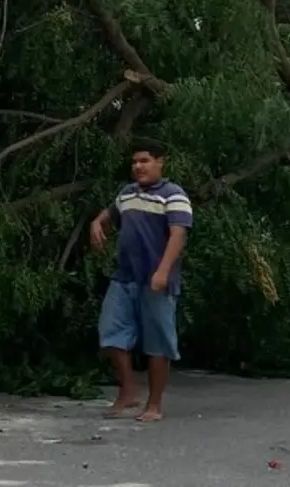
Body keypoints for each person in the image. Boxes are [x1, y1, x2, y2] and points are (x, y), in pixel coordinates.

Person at [89, 140, 193, 422]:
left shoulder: (173, 195)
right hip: (125, 278)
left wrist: (162, 271)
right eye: (134, 162)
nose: (138, 167)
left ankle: (154, 404)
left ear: (160, 162)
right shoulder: (127, 194)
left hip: (157, 280)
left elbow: (178, 235)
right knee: (110, 331)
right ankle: (128, 392)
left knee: (158, 342)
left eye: (144, 161)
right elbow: (109, 214)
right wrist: (96, 223)